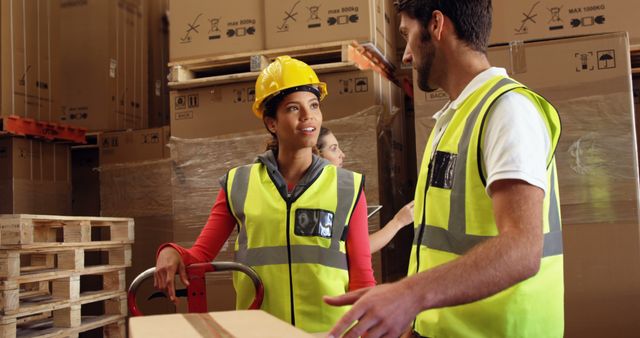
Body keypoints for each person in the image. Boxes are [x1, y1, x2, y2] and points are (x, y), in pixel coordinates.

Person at [324, 1, 564, 337]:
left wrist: (407, 295)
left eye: (407, 35)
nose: (406, 55)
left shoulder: (507, 111)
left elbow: (522, 250)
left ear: (436, 25)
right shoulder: (451, 120)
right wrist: (412, 318)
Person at [154, 56, 376, 333]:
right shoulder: (239, 184)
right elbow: (200, 254)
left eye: (314, 106)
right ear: (272, 122)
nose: (308, 116)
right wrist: (169, 252)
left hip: (328, 332)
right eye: (294, 108)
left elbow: (362, 276)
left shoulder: (347, 187)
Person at [317, 126, 415, 253]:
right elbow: (360, 249)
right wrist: (398, 222)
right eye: (334, 149)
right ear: (316, 154)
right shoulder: (336, 195)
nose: (343, 154)